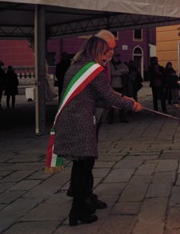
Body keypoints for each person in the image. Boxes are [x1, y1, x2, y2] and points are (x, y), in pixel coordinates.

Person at [48, 35, 142, 227]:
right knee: (83, 166)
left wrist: (125, 98)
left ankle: (80, 204)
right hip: (80, 124)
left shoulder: (75, 67)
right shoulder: (93, 70)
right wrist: (131, 105)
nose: (108, 57)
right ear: (98, 51)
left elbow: (99, 93)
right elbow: (107, 95)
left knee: (80, 164)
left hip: (69, 121)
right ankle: (77, 210)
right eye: (107, 52)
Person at [108, 53, 130, 123]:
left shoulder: (121, 63)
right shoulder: (110, 64)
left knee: (121, 102)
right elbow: (111, 73)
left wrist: (117, 72)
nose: (117, 58)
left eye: (118, 56)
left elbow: (127, 70)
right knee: (112, 103)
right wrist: (120, 72)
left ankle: (122, 117)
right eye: (115, 56)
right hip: (113, 86)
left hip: (121, 86)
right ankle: (110, 118)